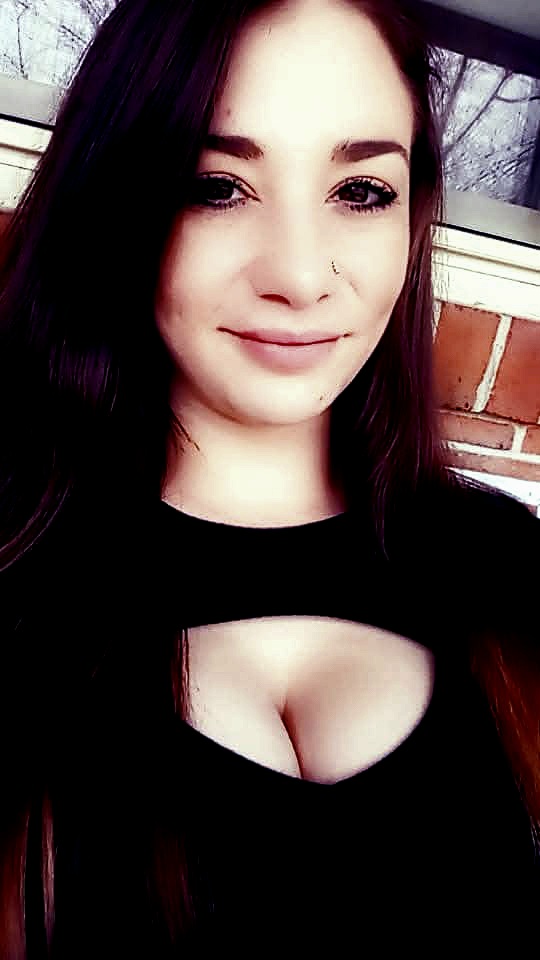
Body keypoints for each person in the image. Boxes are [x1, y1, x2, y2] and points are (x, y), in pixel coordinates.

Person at [0, 0, 538, 956]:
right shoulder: (14, 573)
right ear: (116, 198)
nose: (299, 274)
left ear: (414, 216)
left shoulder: (508, 565)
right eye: (217, 186)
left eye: (361, 190)